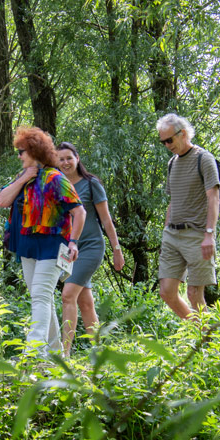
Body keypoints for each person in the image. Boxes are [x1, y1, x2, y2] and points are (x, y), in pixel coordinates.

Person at [0, 127, 85, 359]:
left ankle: (33, 352)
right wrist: (25, 177)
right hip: (27, 246)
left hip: (53, 246)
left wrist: (74, 242)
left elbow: (80, 212)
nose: (19, 156)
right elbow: (3, 201)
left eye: (21, 151)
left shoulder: (55, 179)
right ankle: (57, 356)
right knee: (41, 297)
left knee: (40, 296)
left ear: (34, 151)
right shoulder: (22, 178)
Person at [55, 142, 124, 357]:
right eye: (61, 159)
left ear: (77, 158)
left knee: (68, 296)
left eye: (69, 157)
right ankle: (99, 352)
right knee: (85, 302)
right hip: (68, 251)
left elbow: (106, 219)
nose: (65, 162)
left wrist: (117, 249)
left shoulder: (91, 183)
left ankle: (65, 354)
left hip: (92, 246)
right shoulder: (57, 186)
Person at [156, 113, 220, 319]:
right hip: (172, 234)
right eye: (162, 141)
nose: (167, 145)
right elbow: (173, 200)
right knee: (166, 292)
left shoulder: (204, 159)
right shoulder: (172, 163)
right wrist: (166, 230)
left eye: (169, 140)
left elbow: (214, 199)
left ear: (182, 134)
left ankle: (205, 343)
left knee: (194, 294)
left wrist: (209, 234)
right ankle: (199, 332)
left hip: (197, 235)